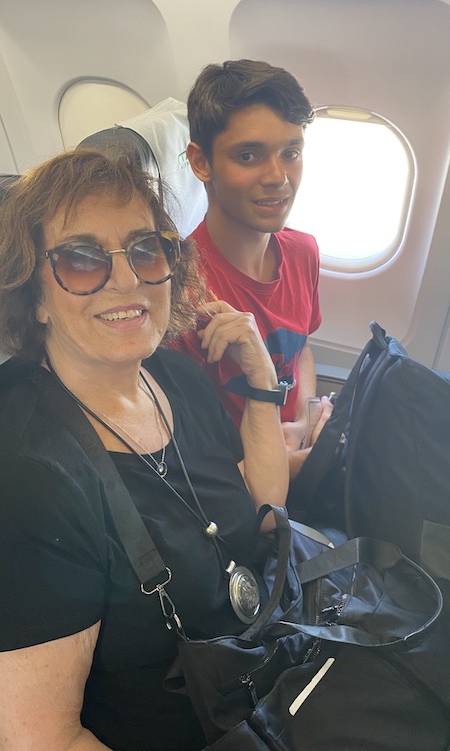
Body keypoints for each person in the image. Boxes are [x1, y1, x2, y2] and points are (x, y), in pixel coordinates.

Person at [0, 148, 288, 751]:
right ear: (34, 299)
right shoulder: (33, 479)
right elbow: (40, 738)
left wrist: (261, 381)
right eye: (80, 259)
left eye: (144, 248)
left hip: (263, 684)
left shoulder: (173, 377)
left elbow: (262, 512)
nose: (127, 279)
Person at [172, 59, 332, 481]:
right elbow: (200, 472)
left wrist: (303, 420)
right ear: (201, 162)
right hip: (249, 484)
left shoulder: (303, 252)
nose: (278, 177)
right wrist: (301, 461)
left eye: (291, 153)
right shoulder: (181, 294)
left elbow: (302, 351)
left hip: (298, 444)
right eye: (249, 156)